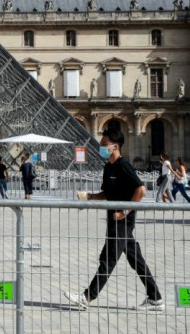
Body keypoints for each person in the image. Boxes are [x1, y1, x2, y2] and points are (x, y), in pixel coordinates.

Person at [64, 128, 164, 311]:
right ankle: (155, 298)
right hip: (114, 218)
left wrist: (125, 211)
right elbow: (107, 193)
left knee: (108, 259)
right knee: (136, 260)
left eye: (104, 144)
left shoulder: (123, 165)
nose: (101, 147)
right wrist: (91, 197)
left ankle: (87, 296)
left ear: (115, 146)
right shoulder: (108, 167)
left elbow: (141, 190)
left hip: (122, 221)